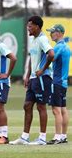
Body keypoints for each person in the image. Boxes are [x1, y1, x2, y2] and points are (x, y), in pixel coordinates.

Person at [10, 15, 54, 145]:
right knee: (27, 105)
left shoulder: (42, 40)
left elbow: (51, 54)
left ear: (37, 27)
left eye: (30, 26)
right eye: (27, 26)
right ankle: (24, 137)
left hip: (42, 78)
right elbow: (31, 58)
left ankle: (42, 138)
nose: (28, 28)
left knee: (41, 107)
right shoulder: (34, 40)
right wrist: (27, 75)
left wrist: (43, 69)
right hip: (34, 79)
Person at [46, 24, 70, 145]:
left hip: (57, 82)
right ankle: (63, 136)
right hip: (64, 82)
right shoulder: (67, 47)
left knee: (56, 110)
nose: (51, 34)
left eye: (53, 32)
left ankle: (57, 137)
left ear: (59, 33)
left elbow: (52, 57)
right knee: (63, 109)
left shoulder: (59, 46)